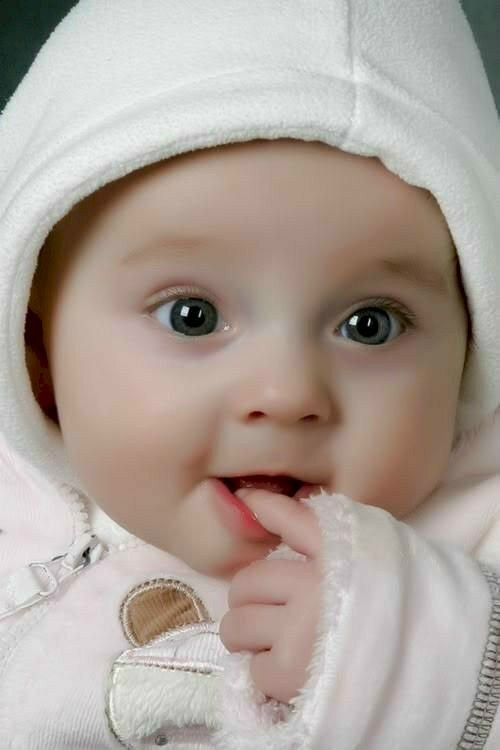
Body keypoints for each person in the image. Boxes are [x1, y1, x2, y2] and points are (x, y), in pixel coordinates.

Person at [0, 1, 499, 748]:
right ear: (36, 346)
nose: (287, 393)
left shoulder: (478, 532)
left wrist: (415, 666)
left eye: (371, 324)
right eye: (192, 316)